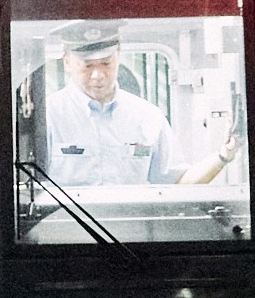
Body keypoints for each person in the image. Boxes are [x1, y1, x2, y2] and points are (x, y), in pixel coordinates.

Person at [39, 25, 174, 184]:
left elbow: (173, 181)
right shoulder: (47, 116)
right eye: (87, 65)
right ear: (67, 62)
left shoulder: (148, 116)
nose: (98, 75)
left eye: (106, 63)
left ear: (118, 57)